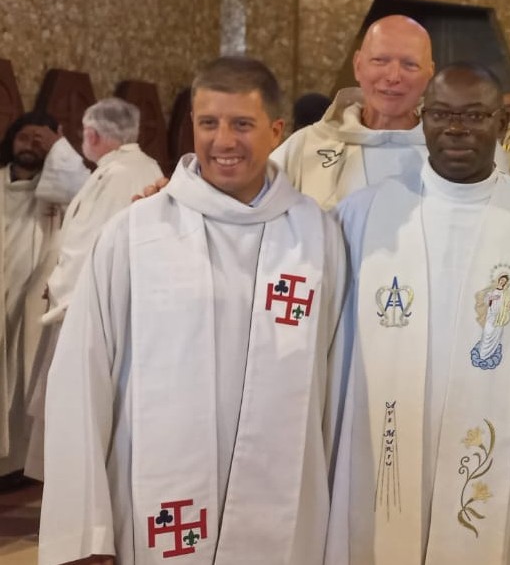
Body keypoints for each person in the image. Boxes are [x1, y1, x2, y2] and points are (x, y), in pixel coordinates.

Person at [39, 56, 346, 563]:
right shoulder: (137, 232)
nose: (223, 141)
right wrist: (84, 529)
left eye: (241, 124)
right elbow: (82, 375)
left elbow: (335, 383)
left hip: (284, 501)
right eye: (208, 123)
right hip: (159, 499)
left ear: (276, 131)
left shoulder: (316, 236)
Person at [327, 64, 510, 564]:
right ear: (423, 119)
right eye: (441, 114)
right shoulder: (364, 215)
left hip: (484, 450)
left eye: (475, 115)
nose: (456, 128)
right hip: (386, 438)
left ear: (501, 124)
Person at [26, 98, 163, 480]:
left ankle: (74, 491)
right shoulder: (147, 167)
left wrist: (58, 287)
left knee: (78, 406)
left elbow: (87, 243)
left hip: (89, 309)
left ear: (93, 134)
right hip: (129, 307)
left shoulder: (113, 175)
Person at [272, 15, 435, 209]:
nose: (393, 76)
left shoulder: (448, 153)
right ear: (358, 65)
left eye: (410, 64)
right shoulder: (304, 146)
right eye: (380, 60)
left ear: (429, 73)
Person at [0, 113, 64, 477]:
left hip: (29, 301)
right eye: (24, 137)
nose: (29, 145)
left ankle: (15, 464)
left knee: (21, 375)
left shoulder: (57, 191)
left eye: (39, 140)